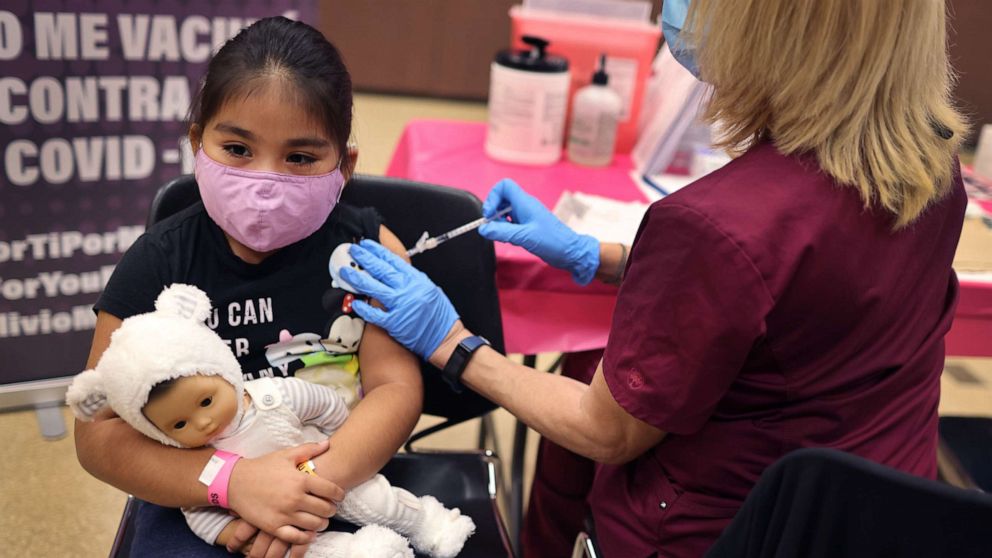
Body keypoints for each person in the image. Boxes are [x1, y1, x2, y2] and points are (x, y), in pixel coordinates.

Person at [335, 0, 969, 555]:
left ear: (778, 29)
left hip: (728, 532)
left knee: (584, 376)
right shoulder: (928, 165)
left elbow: (604, 430)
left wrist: (451, 341)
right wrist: (603, 257)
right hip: (876, 515)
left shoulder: (715, 224)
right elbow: (797, 295)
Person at [74, 17, 424, 558]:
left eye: (301, 158)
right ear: (197, 143)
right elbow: (97, 437)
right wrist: (233, 483)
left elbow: (394, 389)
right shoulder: (157, 262)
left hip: (343, 478)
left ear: (345, 165)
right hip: (194, 493)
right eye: (238, 149)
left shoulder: (370, 251)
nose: (265, 181)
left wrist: (300, 487)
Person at [68, 284, 475, 558]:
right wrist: (234, 534)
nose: (203, 423)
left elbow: (324, 405)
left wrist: (338, 444)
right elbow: (199, 513)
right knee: (301, 548)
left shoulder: (270, 394)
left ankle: (427, 522)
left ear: (223, 369)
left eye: (207, 400)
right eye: (178, 426)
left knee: (376, 499)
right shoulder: (194, 459)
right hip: (252, 515)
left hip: (331, 470)